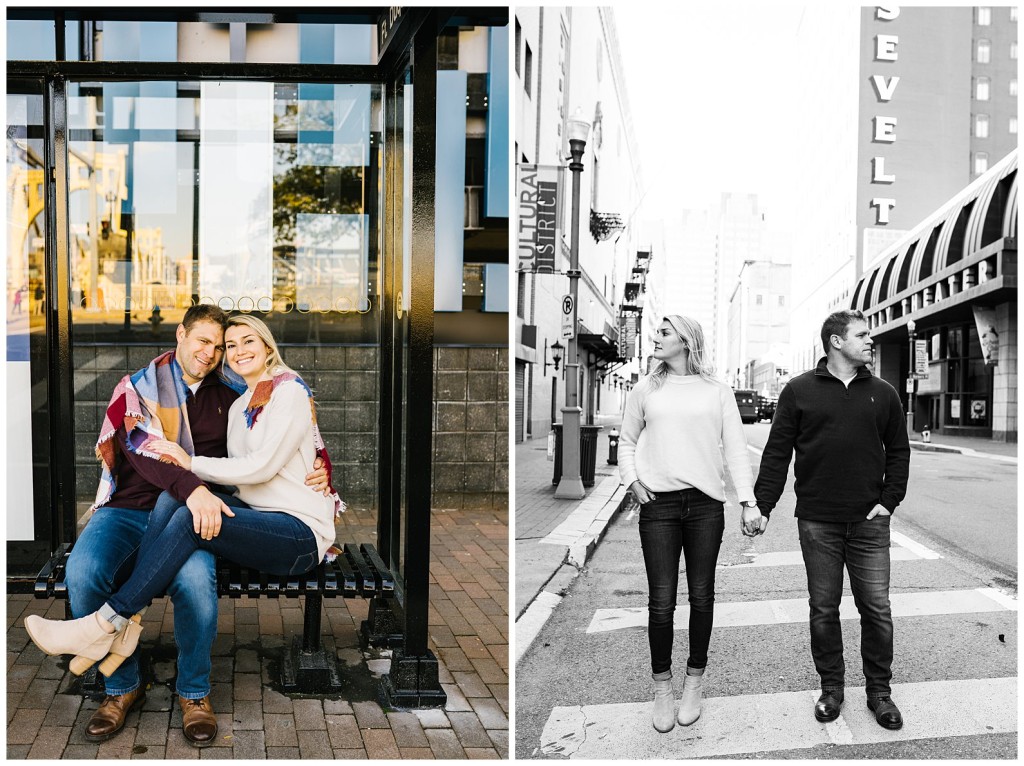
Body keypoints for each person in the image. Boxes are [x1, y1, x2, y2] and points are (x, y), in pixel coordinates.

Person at [45, 305, 330, 747]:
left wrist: (321, 462)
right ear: (181, 334)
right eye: (207, 342)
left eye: (223, 346)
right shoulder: (136, 390)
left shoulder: (235, 389)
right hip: (133, 509)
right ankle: (122, 688)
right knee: (83, 573)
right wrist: (193, 488)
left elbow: (291, 408)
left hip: (196, 515)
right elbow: (145, 453)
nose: (214, 353)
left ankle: (192, 691)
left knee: (196, 583)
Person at [750, 309, 910, 730]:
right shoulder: (799, 390)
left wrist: (889, 501)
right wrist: (763, 506)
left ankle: (879, 692)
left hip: (869, 521)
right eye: (862, 334)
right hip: (818, 521)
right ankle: (832, 689)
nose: (870, 340)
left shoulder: (884, 393)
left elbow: (899, 452)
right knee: (823, 608)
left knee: (876, 609)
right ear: (836, 341)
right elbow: (778, 451)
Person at [618, 315, 759, 733]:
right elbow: (627, 441)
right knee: (661, 602)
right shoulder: (646, 388)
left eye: (664, 332)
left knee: (702, 596)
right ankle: (663, 687)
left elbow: (735, 450)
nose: (655, 338)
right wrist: (633, 481)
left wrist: (748, 502)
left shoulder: (717, 391)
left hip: (705, 507)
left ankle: (694, 682)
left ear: (687, 339)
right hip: (657, 505)